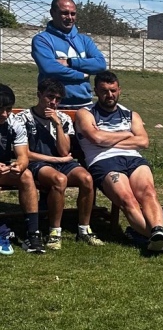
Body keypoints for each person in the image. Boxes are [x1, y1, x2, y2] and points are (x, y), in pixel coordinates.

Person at [75, 71, 163, 253]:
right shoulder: (85, 113)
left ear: (119, 90)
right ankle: (159, 237)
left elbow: (143, 142)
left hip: (134, 159)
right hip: (103, 161)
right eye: (104, 91)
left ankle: (156, 232)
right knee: (128, 199)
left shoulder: (131, 114)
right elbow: (96, 138)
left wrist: (107, 138)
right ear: (96, 91)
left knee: (149, 192)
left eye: (113, 90)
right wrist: (126, 134)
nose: (109, 95)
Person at [19, 78, 103, 248]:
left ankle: (84, 229)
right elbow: (26, 153)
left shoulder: (63, 118)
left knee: (86, 179)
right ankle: (54, 231)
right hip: (37, 163)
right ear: (39, 95)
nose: (54, 102)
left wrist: (57, 124)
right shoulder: (24, 118)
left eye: (58, 99)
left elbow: (65, 151)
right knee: (59, 180)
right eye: (50, 97)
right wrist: (56, 160)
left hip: (62, 162)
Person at [30, 0, 107, 109]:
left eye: (73, 13)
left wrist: (70, 62)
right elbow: (50, 68)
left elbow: (100, 64)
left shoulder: (84, 40)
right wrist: (81, 75)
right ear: (52, 13)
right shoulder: (42, 40)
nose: (70, 17)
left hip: (85, 105)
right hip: (54, 104)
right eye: (64, 13)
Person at [0, 83, 46, 253]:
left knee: (26, 175)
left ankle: (32, 233)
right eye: (0, 109)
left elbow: (23, 155)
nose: (4, 114)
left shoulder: (14, 122)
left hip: (2, 170)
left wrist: (18, 166)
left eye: (8, 109)